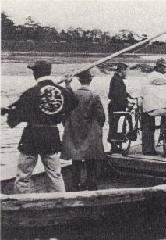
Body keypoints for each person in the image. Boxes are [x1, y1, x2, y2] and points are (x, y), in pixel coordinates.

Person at [2, 60, 78, 193]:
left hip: (31, 136)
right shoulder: (62, 91)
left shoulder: (30, 93)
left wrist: (9, 111)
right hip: (52, 135)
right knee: (55, 174)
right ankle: (60, 201)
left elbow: (13, 121)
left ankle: (23, 204)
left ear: (36, 74)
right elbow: (74, 101)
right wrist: (67, 85)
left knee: (24, 175)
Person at [61, 70, 105, 191]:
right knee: (91, 159)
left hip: (74, 132)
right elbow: (101, 116)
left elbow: (65, 113)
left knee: (76, 160)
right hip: (90, 133)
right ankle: (91, 185)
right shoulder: (94, 96)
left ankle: (74, 186)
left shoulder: (72, 95)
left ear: (79, 80)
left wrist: (67, 84)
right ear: (90, 80)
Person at [141, 58, 166, 155]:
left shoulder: (158, 75)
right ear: (159, 67)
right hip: (149, 105)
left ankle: (150, 148)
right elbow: (163, 81)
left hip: (153, 105)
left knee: (151, 127)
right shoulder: (154, 76)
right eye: (164, 67)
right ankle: (148, 150)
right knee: (149, 128)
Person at [107, 63, 133, 153]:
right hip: (116, 107)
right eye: (126, 70)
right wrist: (127, 102)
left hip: (116, 106)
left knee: (117, 126)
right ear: (122, 70)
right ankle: (114, 147)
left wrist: (128, 95)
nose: (126, 73)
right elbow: (116, 95)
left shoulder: (116, 79)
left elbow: (120, 92)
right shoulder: (116, 80)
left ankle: (116, 146)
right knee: (115, 126)